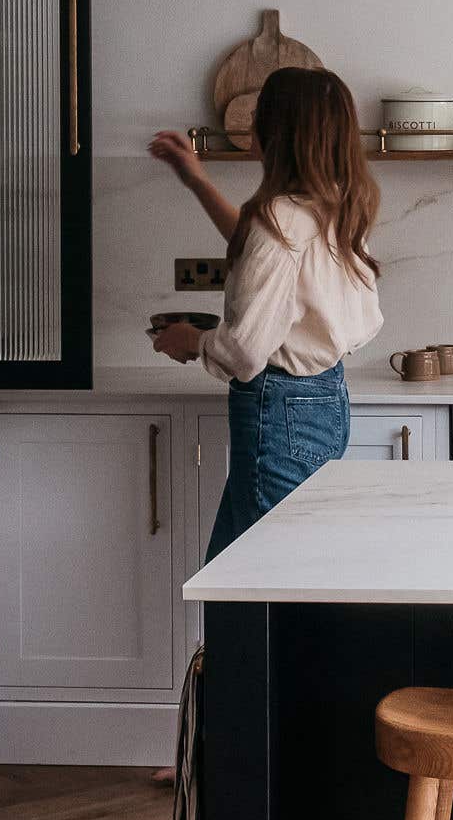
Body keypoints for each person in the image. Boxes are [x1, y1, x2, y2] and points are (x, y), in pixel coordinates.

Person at [147, 67, 383, 559]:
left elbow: (242, 351)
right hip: (326, 401)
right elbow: (264, 250)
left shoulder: (280, 221)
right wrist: (196, 180)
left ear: (279, 133)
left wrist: (189, 340)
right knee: (241, 573)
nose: (250, 126)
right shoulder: (334, 206)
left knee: (260, 580)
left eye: (259, 116)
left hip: (279, 415)